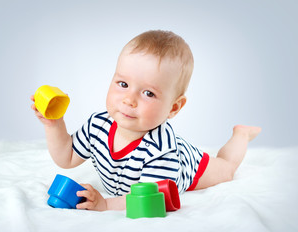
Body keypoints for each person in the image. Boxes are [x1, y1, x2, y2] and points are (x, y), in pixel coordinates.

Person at [31, 30, 261, 211]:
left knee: (226, 170)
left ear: (174, 107)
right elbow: (67, 157)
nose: (129, 100)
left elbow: (151, 198)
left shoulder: (161, 150)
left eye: (148, 93)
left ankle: (241, 134)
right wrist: (54, 123)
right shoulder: (98, 125)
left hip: (189, 166)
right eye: (123, 84)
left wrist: (106, 204)